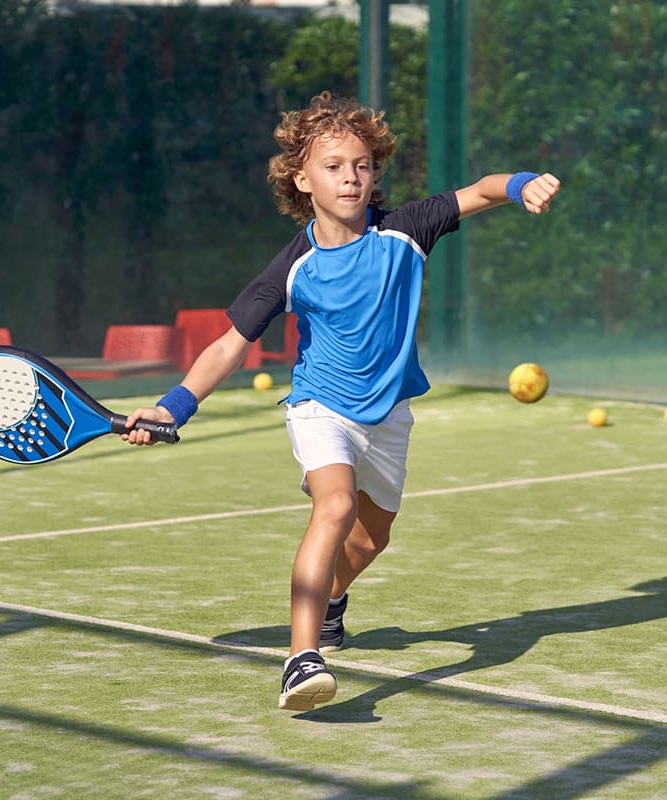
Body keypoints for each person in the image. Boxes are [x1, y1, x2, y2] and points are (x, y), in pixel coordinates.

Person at [122, 92, 561, 712]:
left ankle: (330, 600)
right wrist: (174, 406)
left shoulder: (406, 230)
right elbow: (229, 345)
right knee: (333, 506)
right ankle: (302, 660)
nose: (350, 177)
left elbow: (481, 191)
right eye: (333, 166)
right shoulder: (291, 267)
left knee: (369, 541)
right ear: (302, 180)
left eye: (361, 165)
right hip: (320, 407)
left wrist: (521, 184)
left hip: (389, 415)